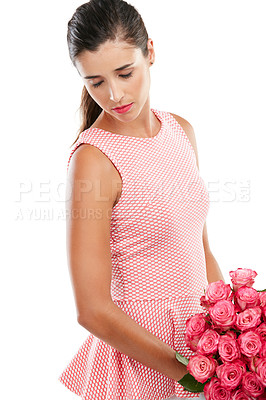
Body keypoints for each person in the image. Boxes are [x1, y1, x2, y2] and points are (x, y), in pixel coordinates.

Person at [58, 1, 225, 399]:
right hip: (145, 357)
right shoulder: (93, 161)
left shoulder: (181, 131)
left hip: (202, 345)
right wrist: (187, 373)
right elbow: (92, 309)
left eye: (125, 73)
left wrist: (232, 333)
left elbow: (200, 251)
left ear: (149, 51)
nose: (114, 95)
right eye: (95, 82)